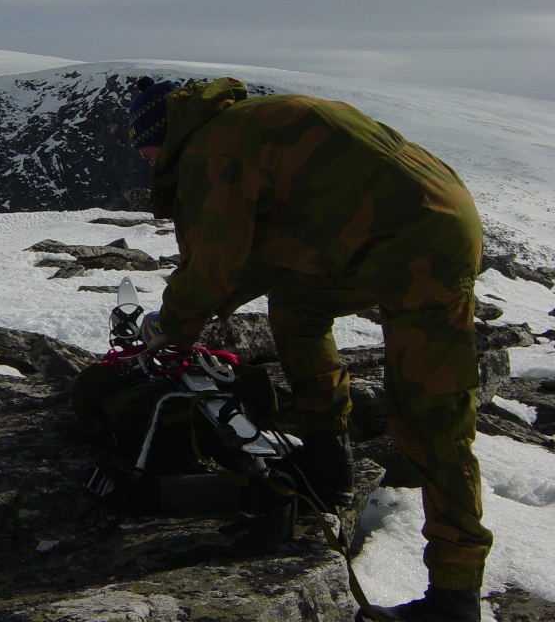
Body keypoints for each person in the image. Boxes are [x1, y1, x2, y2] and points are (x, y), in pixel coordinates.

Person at [129, 76, 491, 622]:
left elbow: (212, 266)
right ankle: (328, 456)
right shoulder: (236, 126)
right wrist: (189, 316)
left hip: (422, 245)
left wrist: (170, 329)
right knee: (297, 305)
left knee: (431, 415)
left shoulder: (211, 149)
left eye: (146, 150)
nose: (147, 161)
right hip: (398, 227)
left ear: (163, 134)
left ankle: (455, 598)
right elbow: (259, 256)